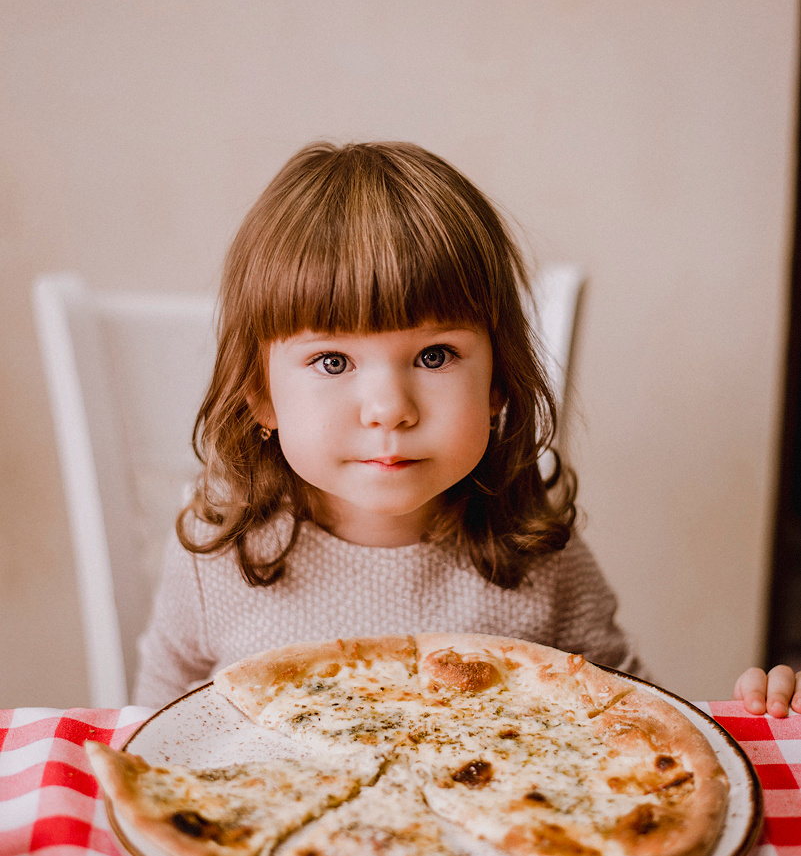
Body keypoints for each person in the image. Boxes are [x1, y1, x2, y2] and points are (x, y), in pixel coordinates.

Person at [132, 141, 797, 717]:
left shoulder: (540, 559)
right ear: (261, 398)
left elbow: (629, 729)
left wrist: (749, 709)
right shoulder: (213, 559)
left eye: (433, 356)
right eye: (332, 361)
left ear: (499, 383)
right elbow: (149, 733)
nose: (388, 407)